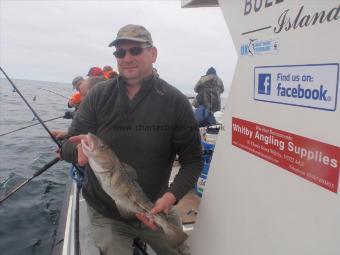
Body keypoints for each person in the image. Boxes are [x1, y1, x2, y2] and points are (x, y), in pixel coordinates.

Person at [60, 24, 203, 255]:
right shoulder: (98, 95)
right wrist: (74, 152)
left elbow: (194, 160)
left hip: (155, 207)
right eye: (120, 52)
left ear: (153, 53)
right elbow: (68, 143)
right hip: (106, 212)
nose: (126, 58)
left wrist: (171, 196)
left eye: (135, 50)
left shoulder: (176, 102)